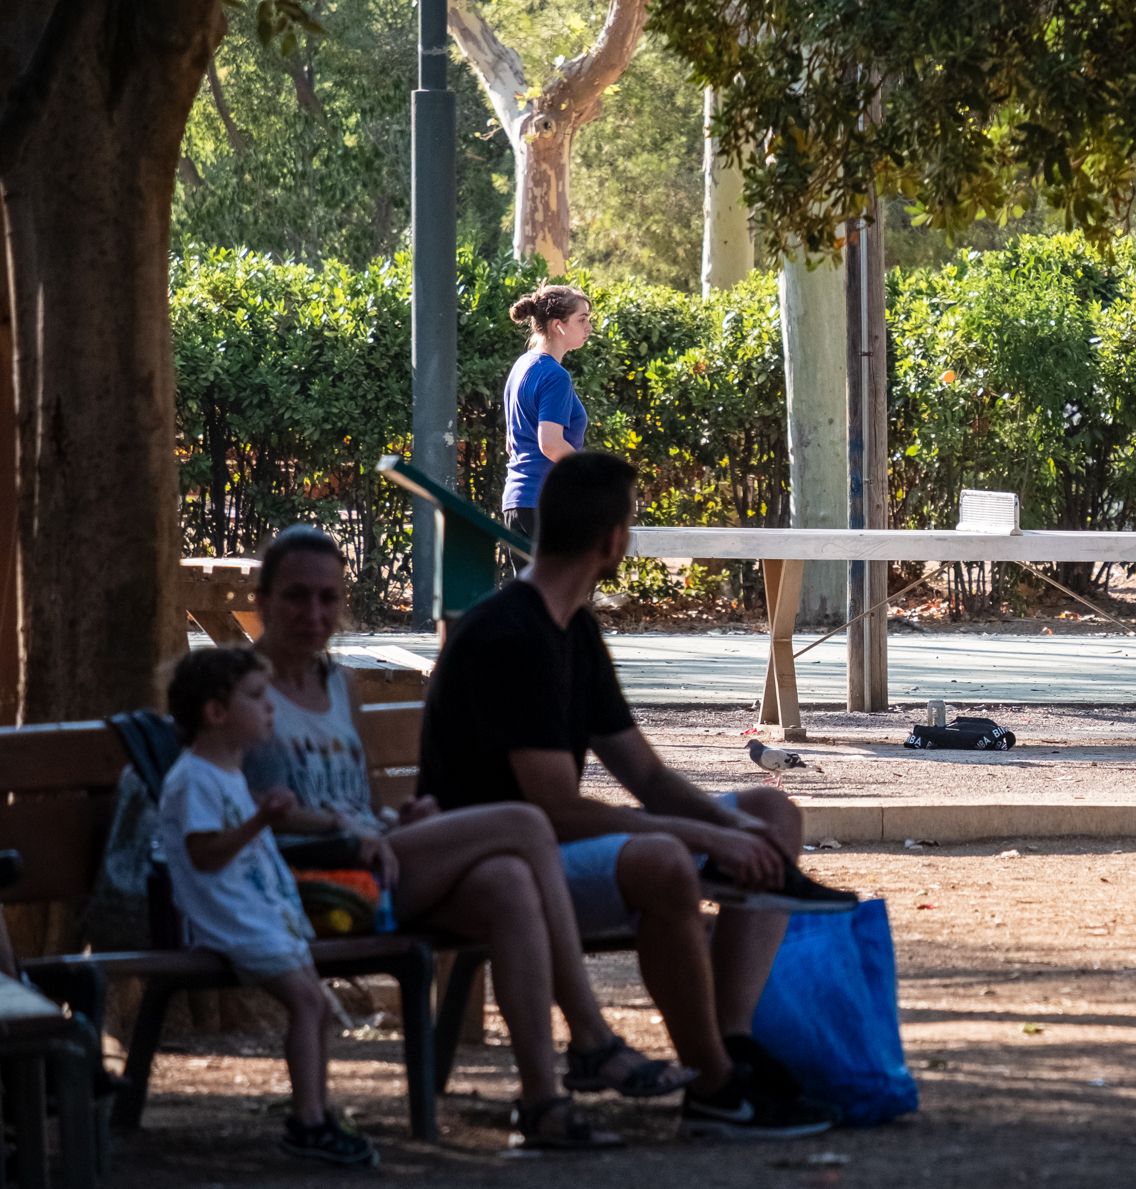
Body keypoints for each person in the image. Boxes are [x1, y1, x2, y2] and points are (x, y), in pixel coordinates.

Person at [418, 451, 853, 1139]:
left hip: (558, 848)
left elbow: (644, 775)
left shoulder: (575, 629)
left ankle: (730, 1044)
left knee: (771, 812)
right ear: (612, 540)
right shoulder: (510, 634)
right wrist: (710, 837)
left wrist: (733, 829)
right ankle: (715, 1083)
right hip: (501, 866)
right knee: (663, 859)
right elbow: (554, 809)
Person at [245, 525, 681, 1151]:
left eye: (327, 599)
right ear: (261, 600)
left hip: (371, 869)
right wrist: (344, 828)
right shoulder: (237, 687)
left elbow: (360, 801)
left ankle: (543, 1104)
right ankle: (591, 1038)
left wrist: (402, 821)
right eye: (295, 597)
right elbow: (237, 806)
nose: (313, 615)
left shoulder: (337, 684)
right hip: (295, 881)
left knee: (508, 882)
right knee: (527, 822)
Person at [160, 645, 376, 1166]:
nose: (271, 708)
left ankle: (319, 1111)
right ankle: (307, 1121)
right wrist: (261, 821)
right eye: (257, 698)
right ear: (215, 713)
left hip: (264, 914)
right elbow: (204, 854)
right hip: (232, 920)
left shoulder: (228, 772)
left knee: (317, 1004)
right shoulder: (193, 779)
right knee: (308, 1004)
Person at [502, 283, 594, 538]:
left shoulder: (521, 366)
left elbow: (511, 445)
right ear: (558, 325)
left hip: (516, 503)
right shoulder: (555, 376)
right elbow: (551, 444)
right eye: (582, 320)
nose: (588, 327)